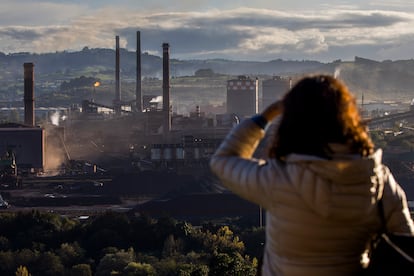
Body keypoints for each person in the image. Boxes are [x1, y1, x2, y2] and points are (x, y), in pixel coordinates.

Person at [209, 74, 414, 276]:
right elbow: (405, 239)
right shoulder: (377, 180)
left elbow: (223, 161)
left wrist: (265, 117)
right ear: (349, 118)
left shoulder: (278, 178)